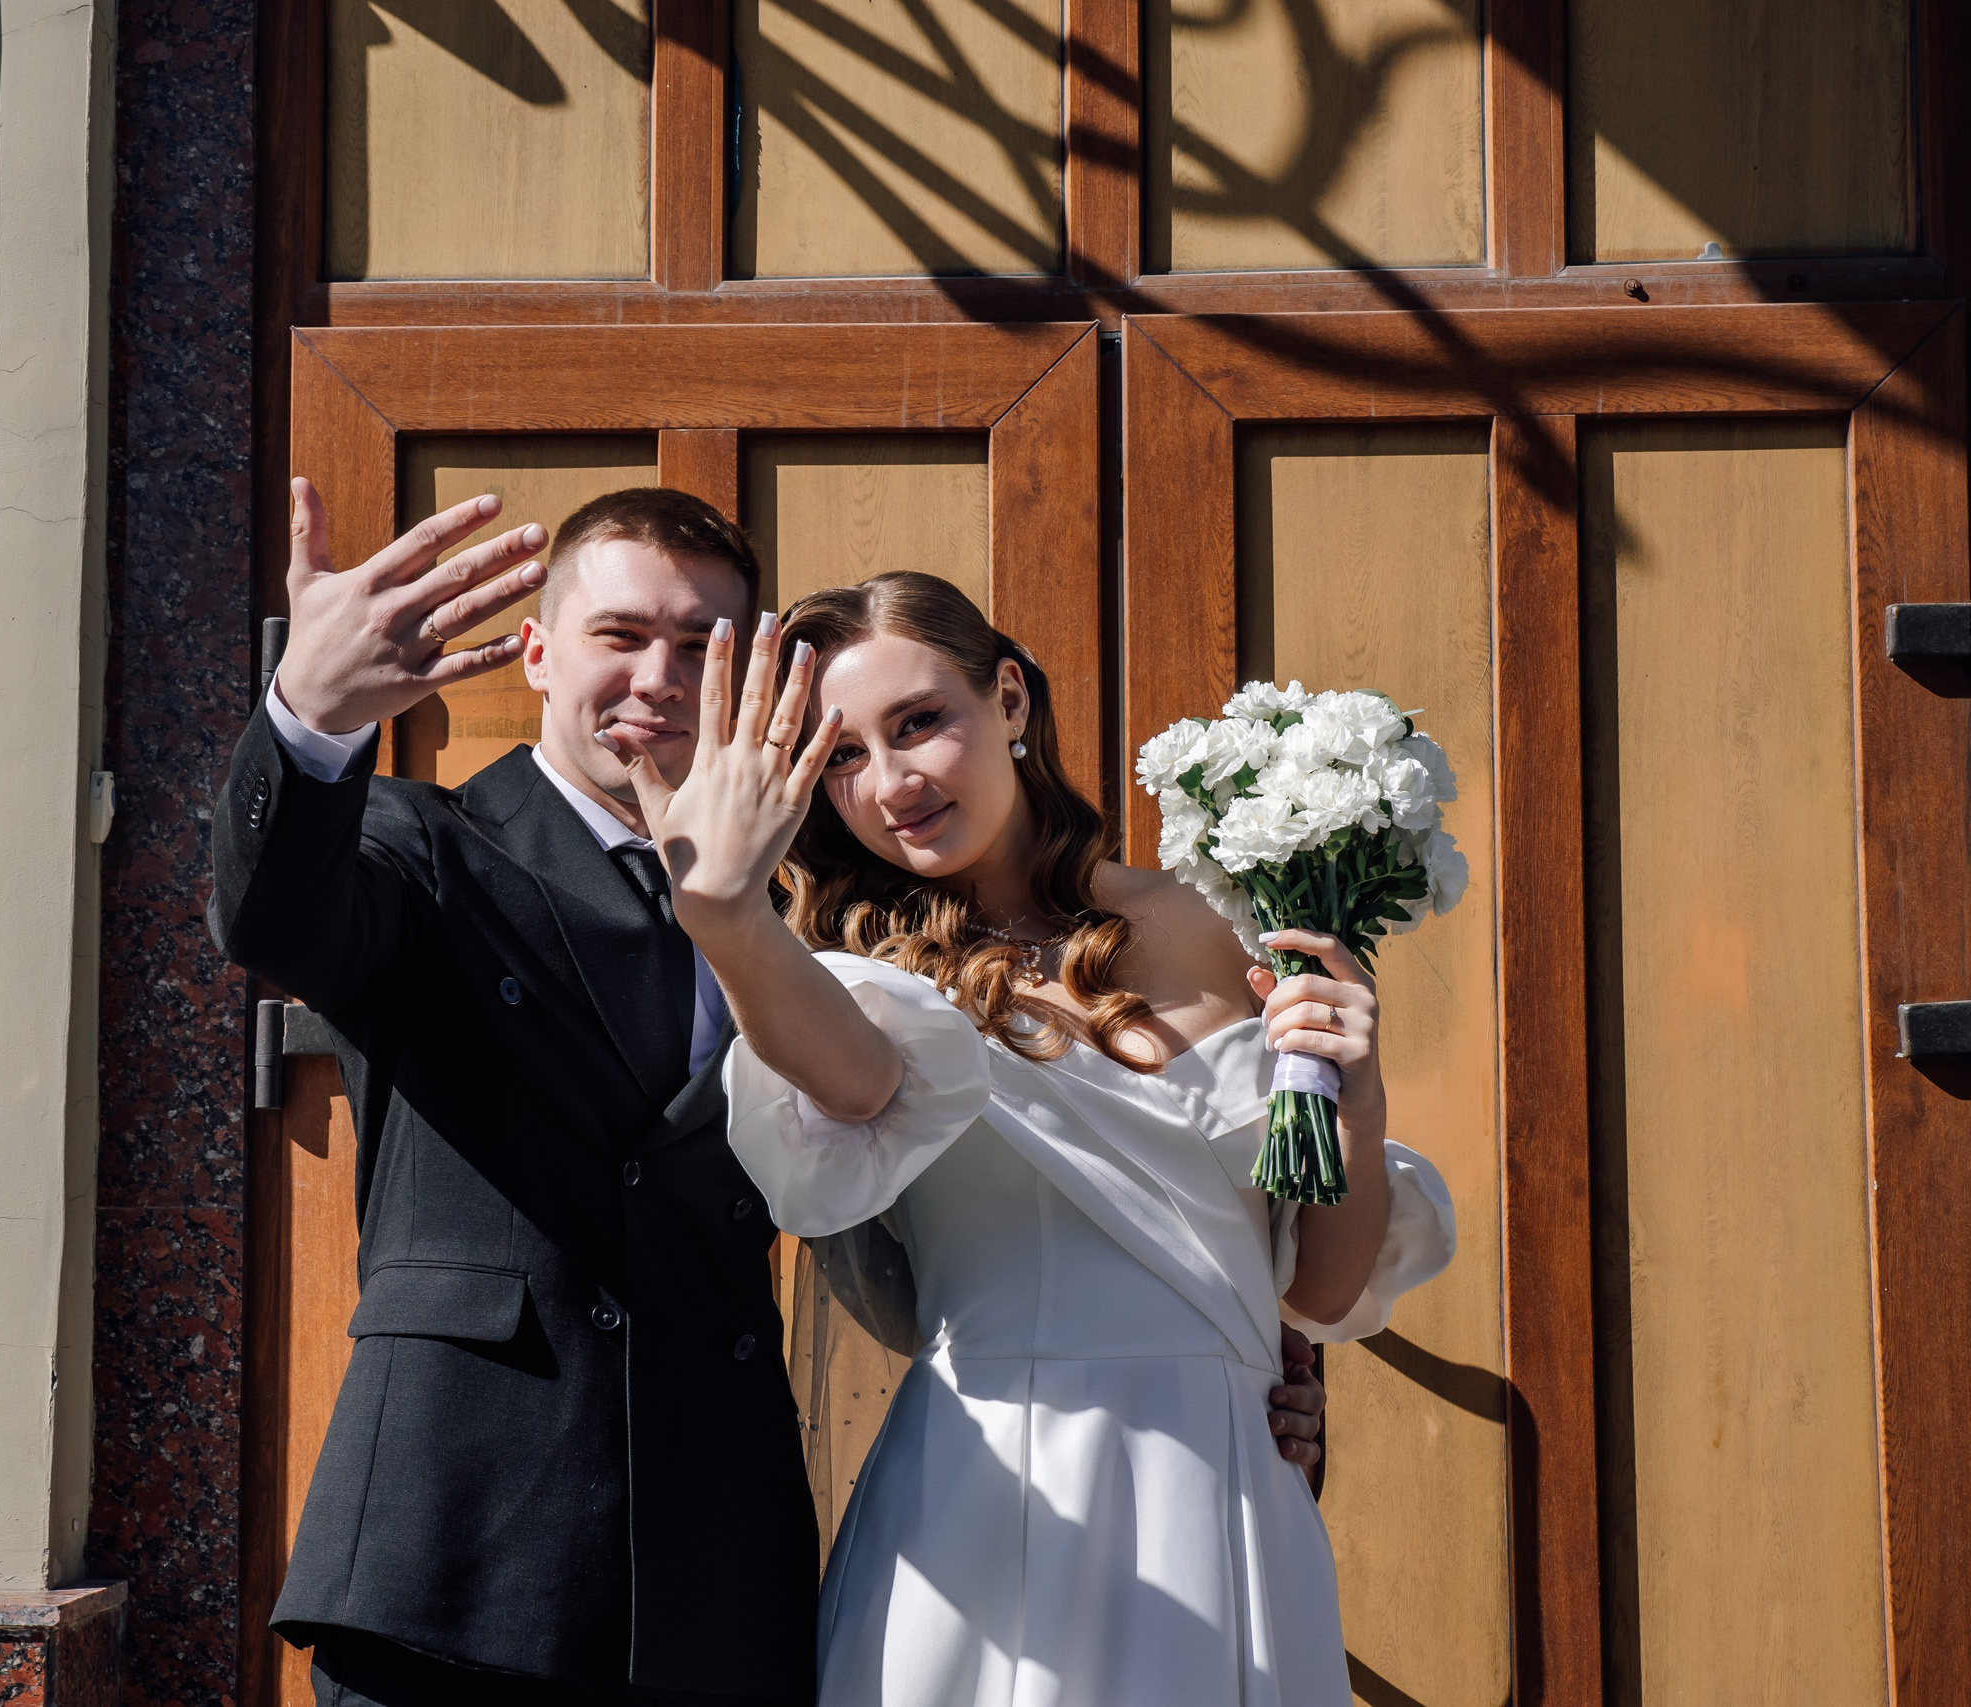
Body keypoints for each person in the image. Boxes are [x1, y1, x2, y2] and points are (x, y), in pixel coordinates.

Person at [210, 487, 1328, 1707]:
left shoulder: (818, 913)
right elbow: (275, 921)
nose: (660, 676)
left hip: (720, 1565)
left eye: (704, 647)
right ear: (536, 652)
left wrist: (1238, 1335)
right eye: (621, 635)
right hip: (461, 1552)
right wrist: (309, 723)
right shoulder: (419, 846)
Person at [601, 570, 1451, 1706]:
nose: (892, 783)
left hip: (1233, 1490)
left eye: (918, 724)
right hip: (991, 1494)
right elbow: (852, 1089)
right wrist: (726, 917)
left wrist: (1358, 1091)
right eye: (842, 757)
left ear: (1007, 699)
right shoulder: (860, 979)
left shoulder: (1231, 924)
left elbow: (1327, 1292)